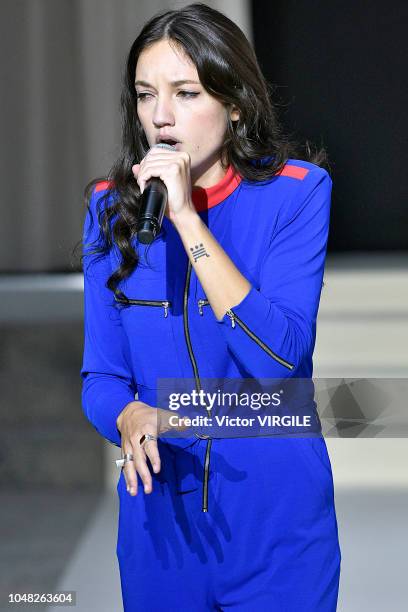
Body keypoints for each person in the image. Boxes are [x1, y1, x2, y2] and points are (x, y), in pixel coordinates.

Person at [80, 3, 341, 611]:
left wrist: (187, 220)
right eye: (147, 96)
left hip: (277, 527)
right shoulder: (109, 210)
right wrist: (125, 417)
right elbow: (102, 376)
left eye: (186, 92)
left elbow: (278, 360)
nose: (161, 117)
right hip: (160, 535)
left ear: (235, 104)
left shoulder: (296, 196)